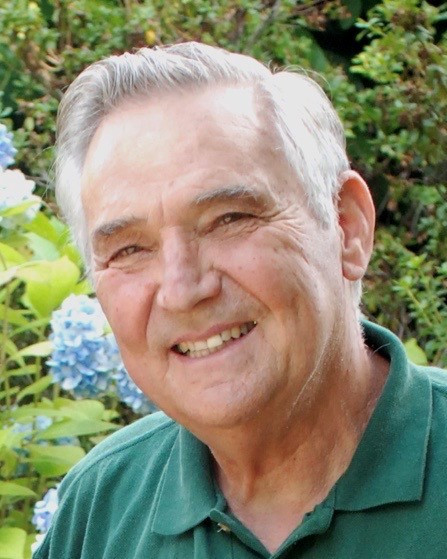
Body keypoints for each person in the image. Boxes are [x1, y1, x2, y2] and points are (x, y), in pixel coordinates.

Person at [34, 42, 447, 559]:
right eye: (130, 249)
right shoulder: (101, 510)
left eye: (229, 219)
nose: (183, 290)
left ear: (347, 227)